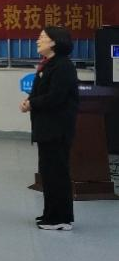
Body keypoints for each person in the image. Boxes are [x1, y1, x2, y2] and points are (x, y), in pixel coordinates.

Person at [21, 26, 79, 230]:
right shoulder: (48, 64)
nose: (38, 41)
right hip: (46, 129)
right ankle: (50, 214)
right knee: (48, 173)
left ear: (54, 42)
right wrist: (29, 101)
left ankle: (61, 219)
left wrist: (32, 103)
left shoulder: (63, 66)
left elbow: (56, 97)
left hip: (57, 129)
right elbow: (40, 91)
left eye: (42, 38)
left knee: (57, 174)